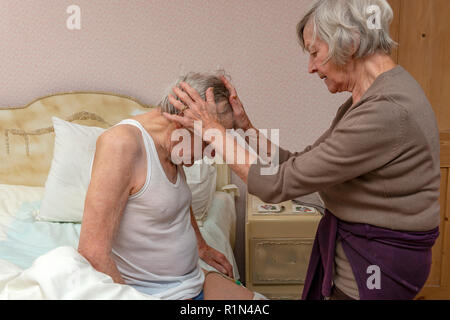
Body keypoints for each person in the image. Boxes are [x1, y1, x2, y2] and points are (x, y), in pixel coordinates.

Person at [163, 0, 441, 300]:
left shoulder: (385, 110)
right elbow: (298, 164)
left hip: (376, 262)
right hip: (367, 251)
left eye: (314, 52)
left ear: (349, 42)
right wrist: (246, 129)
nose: (310, 68)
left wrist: (214, 132)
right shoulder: (370, 99)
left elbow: (276, 184)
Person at [77, 72, 261, 300]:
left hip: (191, 281)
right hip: (149, 293)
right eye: (209, 140)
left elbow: (175, 200)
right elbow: (92, 253)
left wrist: (201, 246)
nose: (213, 152)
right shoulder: (121, 143)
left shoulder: (172, 146)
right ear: (182, 119)